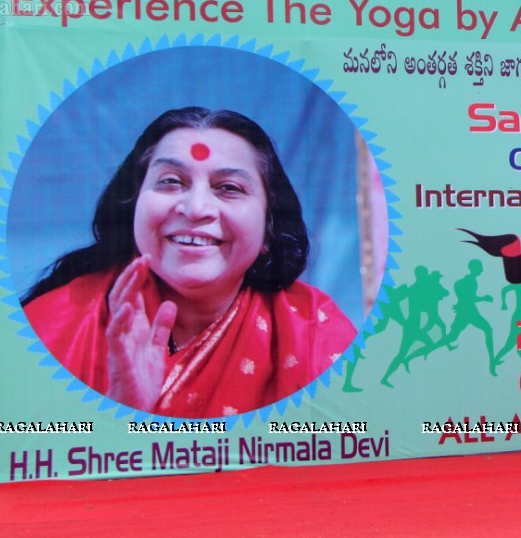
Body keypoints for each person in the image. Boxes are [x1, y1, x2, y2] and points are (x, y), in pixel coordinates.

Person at [22, 107, 356, 418]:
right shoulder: (51, 326)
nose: (196, 208)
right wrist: (121, 410)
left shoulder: (314, 333)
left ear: (270, 228)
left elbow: (351, 449)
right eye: (170, 181)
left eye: (228, 188)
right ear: (132, 207)